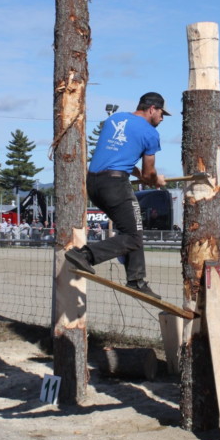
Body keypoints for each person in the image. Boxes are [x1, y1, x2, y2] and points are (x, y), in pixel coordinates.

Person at [65, 91, 169, 298]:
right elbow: (149, 173)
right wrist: (155, 180)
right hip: (115, 184)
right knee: (133, 236)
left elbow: (120, 154)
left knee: (132, 229)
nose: (162, 118)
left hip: (94, 182)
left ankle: (136, 280)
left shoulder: (115, 118)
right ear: (152, 109)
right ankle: (85, 255)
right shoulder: (150, 133)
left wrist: (138, 173)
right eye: (161, 113)